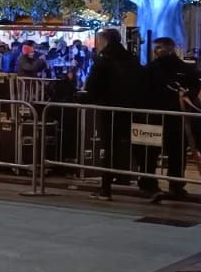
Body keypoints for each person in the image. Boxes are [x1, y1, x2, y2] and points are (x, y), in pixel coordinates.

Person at [86, 28, 145, 200]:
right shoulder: (131, 58)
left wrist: (92, 98)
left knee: (110, 145)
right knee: (131, 144)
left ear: (104, 40)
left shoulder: (103, 59)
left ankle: (105, 187)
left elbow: (92, 86)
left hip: (109, 107)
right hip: (130, 107)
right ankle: (135, 178)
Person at [144, 37, 200, 202]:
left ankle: (159, 184)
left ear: (169, 48)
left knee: (162, 152)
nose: (156, 51)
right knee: (171, 152)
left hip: (164, 115)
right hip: (170, 116)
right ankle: (171, 184)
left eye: (159, 47)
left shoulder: (155, 68)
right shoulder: (181, 68)